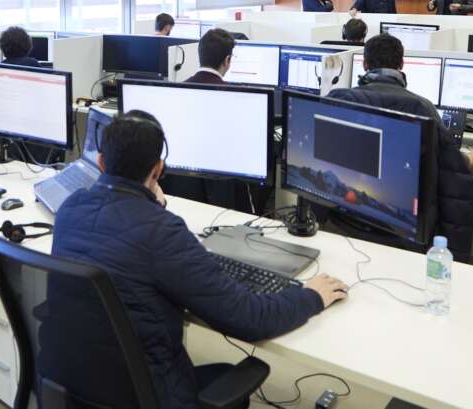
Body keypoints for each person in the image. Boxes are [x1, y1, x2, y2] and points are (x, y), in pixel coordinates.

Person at [46, 111, 348, 409]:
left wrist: (151, 208)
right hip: (148, 395)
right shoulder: (161, 233)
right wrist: (311, 296)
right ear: (158, 170)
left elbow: (125, 245)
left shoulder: (71, 208)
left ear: (100, 163)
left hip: (74, 387)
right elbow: (249, 318)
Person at [328, 34, 473, 260]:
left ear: (365, 64)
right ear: (402, 64)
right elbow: (451, 166)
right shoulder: (421, 107)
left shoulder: (340, 99)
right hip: (403, 226)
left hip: (346, 219)